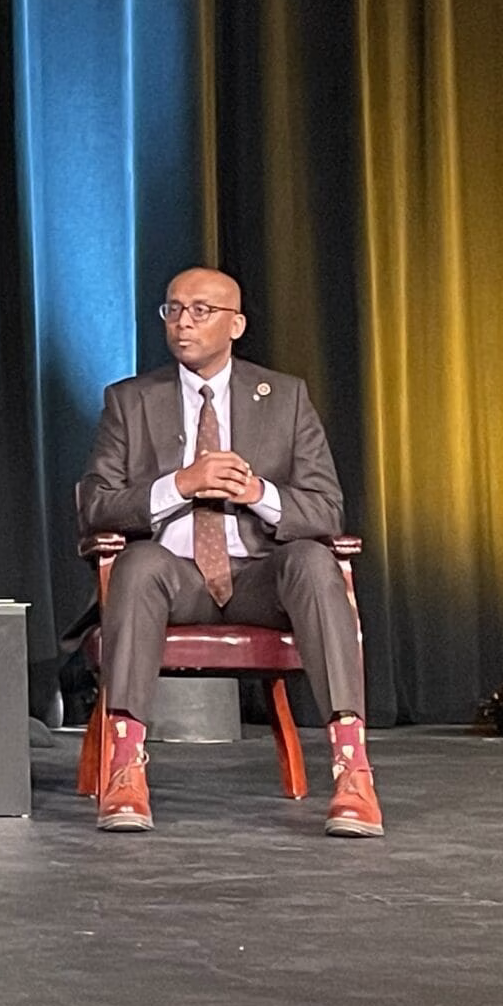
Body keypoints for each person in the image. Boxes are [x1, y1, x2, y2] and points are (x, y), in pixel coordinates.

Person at [74, 267, 378, 837]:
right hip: (173, 582)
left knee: (316, 561)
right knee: (137, 564)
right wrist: (179, 486)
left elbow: (326, 509)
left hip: (262, 579)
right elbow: (96, 505)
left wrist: (258, 493)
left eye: (200, 310)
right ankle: (125, 769)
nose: (183, 322)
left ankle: (352, 771)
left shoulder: (284, 398)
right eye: (173, 310)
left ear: (235, 324)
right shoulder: (131, 401)